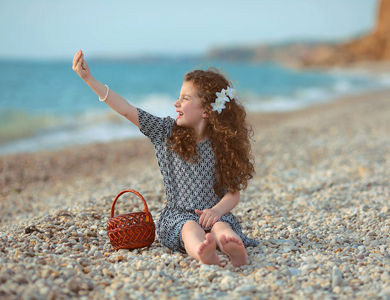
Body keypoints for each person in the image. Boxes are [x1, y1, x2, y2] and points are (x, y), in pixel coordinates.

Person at [72, 50, 258, 267]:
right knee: (190, 228)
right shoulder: (165, 132)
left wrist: (216, 211)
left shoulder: (223, 145)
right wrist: (88, 79)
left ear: (207, 111)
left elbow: (233, 193)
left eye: (185, 98)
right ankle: (202, 252)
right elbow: (126, 110)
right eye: (179, 97)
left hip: (215, 215)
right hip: (177, 217)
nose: (176, 103)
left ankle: (231, 246)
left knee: (222, 227)